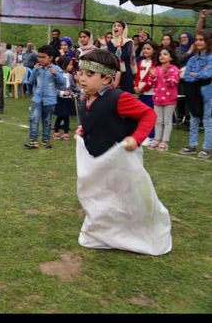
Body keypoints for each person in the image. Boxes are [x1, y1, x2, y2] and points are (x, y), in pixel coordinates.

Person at [75, 49, 170, 256]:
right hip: (100, 161)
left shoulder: (119, 98)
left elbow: (148, 114)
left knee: (128, 198)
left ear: (106, 78)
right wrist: (83, 131)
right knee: (102, 197)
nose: (82, 78)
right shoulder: (86, 99)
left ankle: (139, 232)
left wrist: (136, 139)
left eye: (89, 75)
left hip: (122, 161)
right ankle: (107, 233)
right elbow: (94, 121)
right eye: (81, 72)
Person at [179, 29, 212, 159]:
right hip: (193, 93)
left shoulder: (210, 58)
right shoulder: (192, 59)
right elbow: (186, 76)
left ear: (208, 41)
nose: (198, 42)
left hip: (207, 93)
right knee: (193, 119)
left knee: (207, 120)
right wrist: (197, 75)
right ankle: (192, 145)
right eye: (197, 39)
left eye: (201, 40)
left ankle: (206, 148)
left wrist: (195, 74)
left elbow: (208, 74)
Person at [24, 45, 65, 149]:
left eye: (43, 57)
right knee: (34, 119)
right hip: (37, 99)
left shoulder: (56, 69)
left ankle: (46, 141)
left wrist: (55, 74)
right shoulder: (37, 68)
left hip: (50, 100)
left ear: (50, 58)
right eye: (39, 57)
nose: (40, 59)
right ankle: (33, 140)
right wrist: (34, 70)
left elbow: (62, 85)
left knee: (47, 120)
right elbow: (30, 82)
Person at [149, 45, 180, 152]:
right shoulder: (156, 69)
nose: (162, 56)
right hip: (157, 99)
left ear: (171, 58)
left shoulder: (174, 69)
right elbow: (152, 84)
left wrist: (166, 74)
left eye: (165, 54)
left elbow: (173, 83)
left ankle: (164, 142)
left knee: (167, 121)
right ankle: (157, 140)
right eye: (161, 54)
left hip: (169, 100)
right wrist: (153, 76)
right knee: (158, 120)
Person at [133, 40, 158, 146]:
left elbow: (151, 79)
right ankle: (143, 135)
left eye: (148, 48)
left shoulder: (155, 63)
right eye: (144, 48)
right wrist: (136, 86)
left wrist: (142, 89)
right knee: (141, 115)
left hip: (150, 93)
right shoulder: (141, 61)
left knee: (150, 115)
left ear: (154, 50)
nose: (145, 50)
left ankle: (151, 136)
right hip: (141, 92)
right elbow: (138, 76)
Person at [53, 57, 80, 141]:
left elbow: (73, 87)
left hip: (68, 99)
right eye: (70, 65)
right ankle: (56, 132)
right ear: (63, 65)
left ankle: (66, 133)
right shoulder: (57, 75)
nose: (71, 66)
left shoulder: (70, 76)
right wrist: (62, 92)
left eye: (72, 65)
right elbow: (54, 88)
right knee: (60, 116)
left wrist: (81, 91)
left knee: (66, 117)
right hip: (60, 99)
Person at [107, 21, 137, 93]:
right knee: (114, 94)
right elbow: (111, 56)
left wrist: (119, 47)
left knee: (126, 94)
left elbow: (126, 55)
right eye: (114, 26)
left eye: (119, 26)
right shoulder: (110, 42)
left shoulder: (129, 42)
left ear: (123, 29)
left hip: (126, 71)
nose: (116, 27)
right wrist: (119, 47)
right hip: (113, 71)